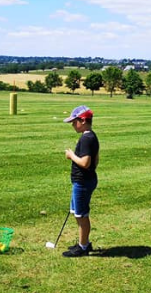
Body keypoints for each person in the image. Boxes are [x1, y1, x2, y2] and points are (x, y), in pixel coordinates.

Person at [62, 105, 100, 257]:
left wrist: (71, 155)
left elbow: (85, 162)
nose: (72, 124)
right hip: (86, 180)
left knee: (81, 215)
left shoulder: (86, 138)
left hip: (82, 182)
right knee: (78, 213)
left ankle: (83, 247)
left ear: (83, 120)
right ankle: (83, 242)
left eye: (74, 121)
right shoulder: (91, 136)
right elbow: (96, 160)